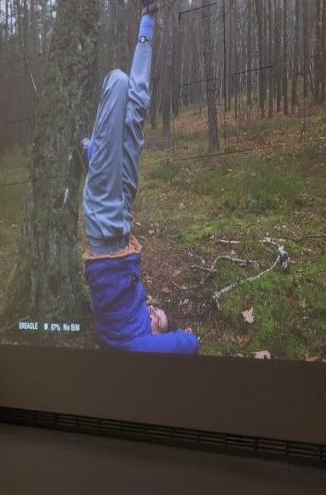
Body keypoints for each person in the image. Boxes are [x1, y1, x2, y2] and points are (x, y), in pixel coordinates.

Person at [80, 1, 199, 355]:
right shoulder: (136, 324)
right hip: (122, 217)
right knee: (136, 108)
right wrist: (147, 23)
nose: (153, 312)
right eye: (159, 314)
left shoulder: (130, 341)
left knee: (116, 81)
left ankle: (95, 156)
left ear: (156, 336)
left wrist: (189, 338)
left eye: (157, 319)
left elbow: (184, 347)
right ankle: (147, 22)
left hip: (104, 227)